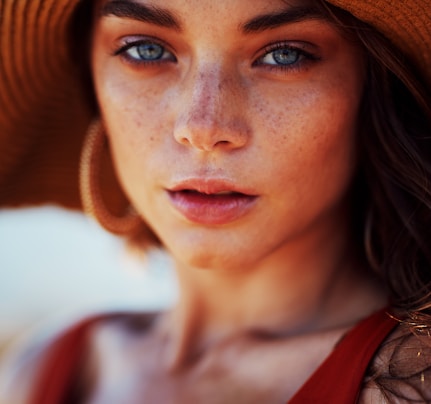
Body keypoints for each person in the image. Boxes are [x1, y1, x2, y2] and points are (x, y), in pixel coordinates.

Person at [0, 0, 430, 402]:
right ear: (90, 83)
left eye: (284, 55)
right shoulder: (44, 368)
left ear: (372, 85)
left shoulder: (408, 382)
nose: (202, 127)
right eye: (146, 50)